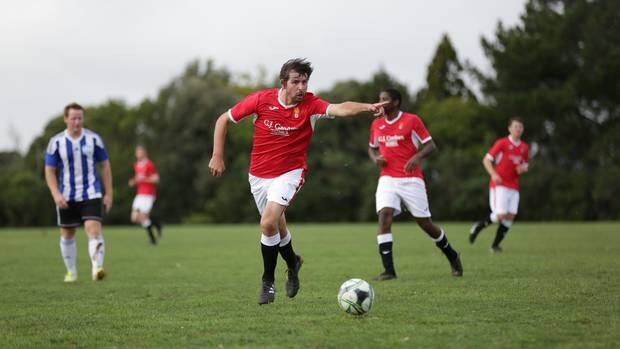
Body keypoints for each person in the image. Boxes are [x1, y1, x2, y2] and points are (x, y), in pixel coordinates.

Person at [208, 58, 387, 305]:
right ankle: (293, 263)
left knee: (268, 223)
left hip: (290, 173)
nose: (302, 87)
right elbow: (222, 120)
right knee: (277, 227)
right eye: (296, 82)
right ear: (284, 83)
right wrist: (217, 155)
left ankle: (267, 283)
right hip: (258, 176)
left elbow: (340, 108)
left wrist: (366, 107)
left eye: (305, 81)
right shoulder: (262, 100)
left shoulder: (311, 104)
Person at [368, 88, 463, 280]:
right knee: (384, 216)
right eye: (379, 100)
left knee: (425, 223)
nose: (380, 103)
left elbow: (430, 145)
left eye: (384, 100)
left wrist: (417, 157)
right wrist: (375, 158)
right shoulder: (377, 124)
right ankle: (389, 270)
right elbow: (372, 148)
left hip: (411, 179)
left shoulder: (412, 120)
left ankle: (452, 255)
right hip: (387, 178)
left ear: (395, 102)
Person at [44, 102, 113, 282]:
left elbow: (105, 166)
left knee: (93, 228)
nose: (77, 122)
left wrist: (109, 193)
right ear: (66, 119)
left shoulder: (93, 139)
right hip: (66, 195)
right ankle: (71, 271)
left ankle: (97, 268)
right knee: (68, 233)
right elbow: (49, 170)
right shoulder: (56, 142)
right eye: (73, 118)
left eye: (80, 118)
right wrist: (55, 194)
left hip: (91, 192)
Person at [469, 117, 529, 252]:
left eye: (520, 127)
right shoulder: (502, 143)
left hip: (514, 186)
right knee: (500, 215)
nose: (518, 129)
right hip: (500, 185)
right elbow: (486, 160)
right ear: (509, 128)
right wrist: (493, 174)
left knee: (511, 216)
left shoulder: (524, 147)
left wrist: (522, 169)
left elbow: (525, 165)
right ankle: (478, 226)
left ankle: (494, 246)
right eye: (515, 126)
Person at [129, 145, 162, 245]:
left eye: (140, 152)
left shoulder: (149, 164)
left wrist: (144, 179)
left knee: (143, 217)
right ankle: (157, 225)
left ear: (144, 153)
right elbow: (138, 178)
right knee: (134, 218)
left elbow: (156, 179)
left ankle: (152, 240)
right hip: (140, 194)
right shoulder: (136, 165)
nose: (138, 154)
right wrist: (133, 181)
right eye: (137, 152)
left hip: (148, 194)